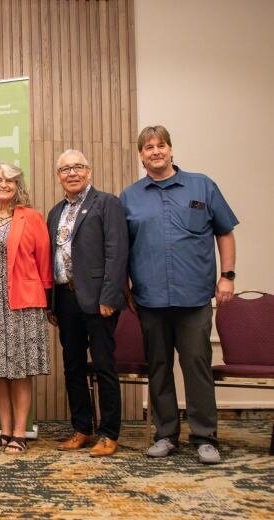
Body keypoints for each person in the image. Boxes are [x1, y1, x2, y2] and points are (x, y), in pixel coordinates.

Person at [120, 125, 238, 465]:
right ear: (140, 155)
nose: (155, 152)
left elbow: (225, 232)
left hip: (194, 296)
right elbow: (124, 246)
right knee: (158, 367)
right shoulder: (130, 196)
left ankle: (205, 438)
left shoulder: (202, 185)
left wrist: (227, 276)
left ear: (170, 149)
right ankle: (165, 435)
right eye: (148, 148)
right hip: (149, 298)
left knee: (197, 365)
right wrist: (126, 286)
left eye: (161, 145)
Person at [46, 150, 128, 457]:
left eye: (78, 167)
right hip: (65, 298)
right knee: (73, 366)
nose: (72, 173)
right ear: (58, 176)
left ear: (89, 171)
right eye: (65, 169)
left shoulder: (107, 204)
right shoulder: (55, 212)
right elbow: (51, 260)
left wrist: (110, 296)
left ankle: (109, 433)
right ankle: (82, 428)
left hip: (98, 299)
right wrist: (51, 302)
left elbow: (116, 253)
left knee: (105, 365)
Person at [0, 163, 52, 455]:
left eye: (10, 181)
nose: (4, 185)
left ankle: (20, 433)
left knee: (19, 370)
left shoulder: (32, 217)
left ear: (18, 187)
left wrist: (46, 301)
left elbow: (44, 262)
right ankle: (4, 432)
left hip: (22, 303)